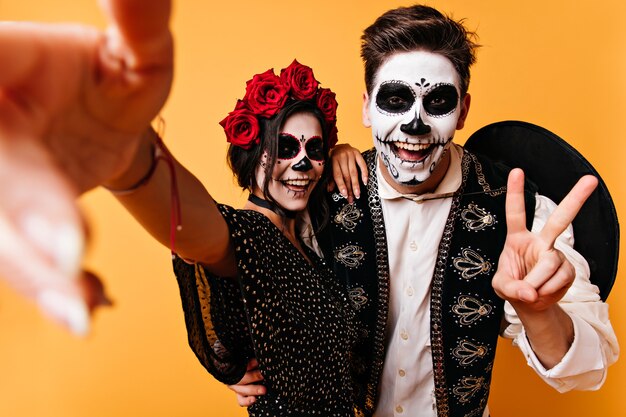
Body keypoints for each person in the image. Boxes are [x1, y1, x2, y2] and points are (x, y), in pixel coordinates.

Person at [229, 5, 619, 417]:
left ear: (463, 111)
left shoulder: (518, 209)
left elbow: (588, 369)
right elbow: (260, 293)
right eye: (395, 100)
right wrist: (240, 366)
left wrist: (538, 313)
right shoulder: (321, 197)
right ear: (367, 108)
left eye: (437, 102)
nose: (415, 125)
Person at [0, 1, 358, 415]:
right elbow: (201, 232)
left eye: (314, 149)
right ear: (253, 153)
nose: (302, 163)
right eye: (285, 147)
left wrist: (343, 152)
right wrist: (131, 157)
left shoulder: (312, 235)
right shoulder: (253, 237)